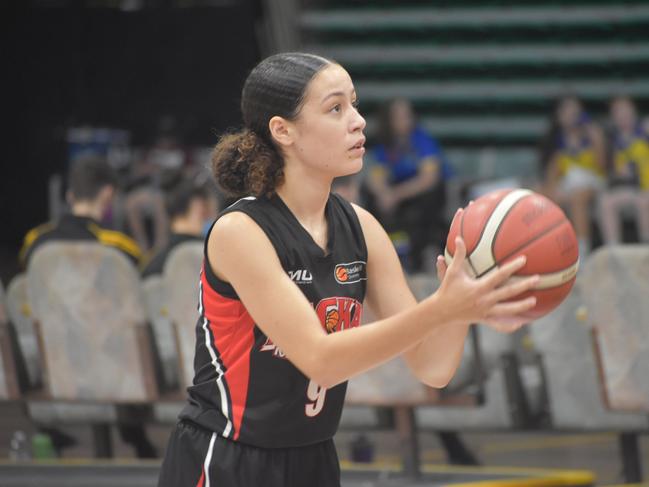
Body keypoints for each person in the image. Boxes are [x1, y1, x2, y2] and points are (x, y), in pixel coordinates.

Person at [157, 52, 538, 487]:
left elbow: (433, 368)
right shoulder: (240, 231)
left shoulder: (363, 228)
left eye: (354, 105)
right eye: (336, 108)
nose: (357, 121)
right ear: (283, 131)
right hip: (226, 457)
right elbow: (320, 360)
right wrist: (440, 309)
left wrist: (460, 308)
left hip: (314, 458)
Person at [19, 156, 157, 459]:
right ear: (108, 194)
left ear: (70, 195)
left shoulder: (35, 243)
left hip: (57, 368)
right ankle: (136, 439)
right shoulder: (120, 249)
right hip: (117, 371)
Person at [365, 98, 450, 272]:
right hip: (399, 198)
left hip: (424, 197)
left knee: (425, 204)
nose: (405, 120)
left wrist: (395, 195)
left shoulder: (421, 140)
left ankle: (417, 259)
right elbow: (376, 176)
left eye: (407, 115)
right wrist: (384, 194)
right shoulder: (385, 144)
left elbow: (429, 178)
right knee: (370, 196)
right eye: (398, 116)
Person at [539, 95, 606, 257]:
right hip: (568, 184)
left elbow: (602, 166)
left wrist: (596, 139)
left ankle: (582, 252)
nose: (571, 114)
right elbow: (551, 176)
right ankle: (543, 248)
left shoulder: (592, 133)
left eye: (574, 110)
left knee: (578, 197)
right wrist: (553, 190)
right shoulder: (556, 140)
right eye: (566, 110)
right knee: (539, 195)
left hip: (593, 181)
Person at [598, 96, 649, 244]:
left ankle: (646, 250)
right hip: (633, 189)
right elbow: (613, 173)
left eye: (626, 110)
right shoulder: (613, 141)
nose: (623, 115)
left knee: (643, 202)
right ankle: (614, 250)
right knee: (606, 201)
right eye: (618, 112)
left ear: (634, 111)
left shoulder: (645, 130)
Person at [142, 177, 214, 277]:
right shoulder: (205, 258)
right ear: (199, 208)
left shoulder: (153, 263)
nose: (210, 217)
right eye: (205, 211)